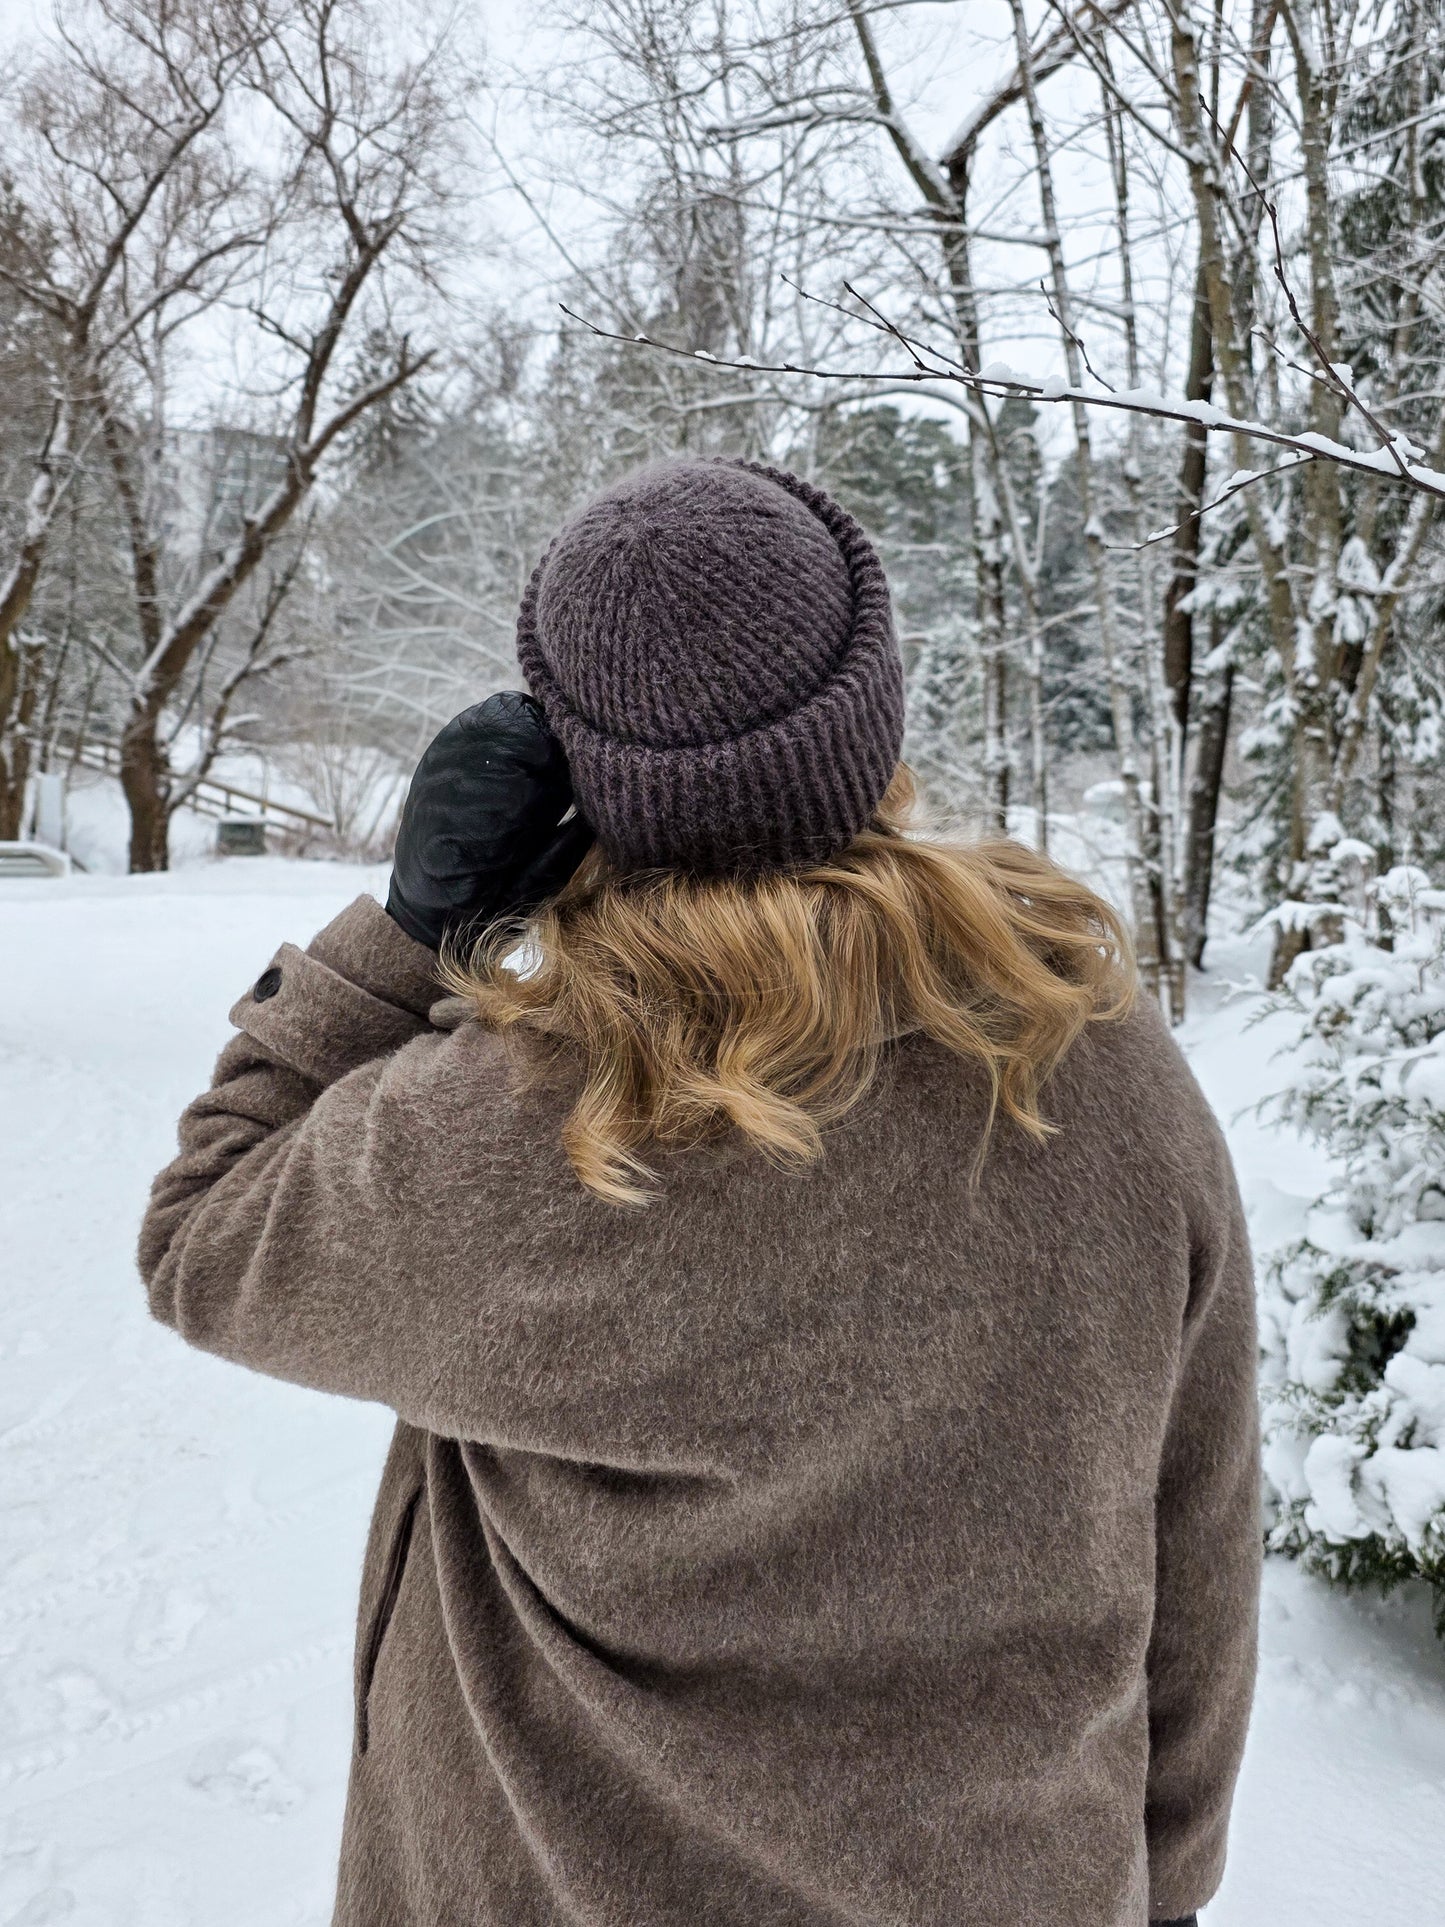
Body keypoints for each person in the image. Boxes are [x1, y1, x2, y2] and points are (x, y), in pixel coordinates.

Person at [139, 458, 1260, 1927]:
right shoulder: (1091, 1060)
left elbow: (204, 1232)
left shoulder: (527, 1117)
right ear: (872, 716)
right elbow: (1197, 1526)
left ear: (569, 764)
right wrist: (1160, 1891)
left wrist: (413, 932)